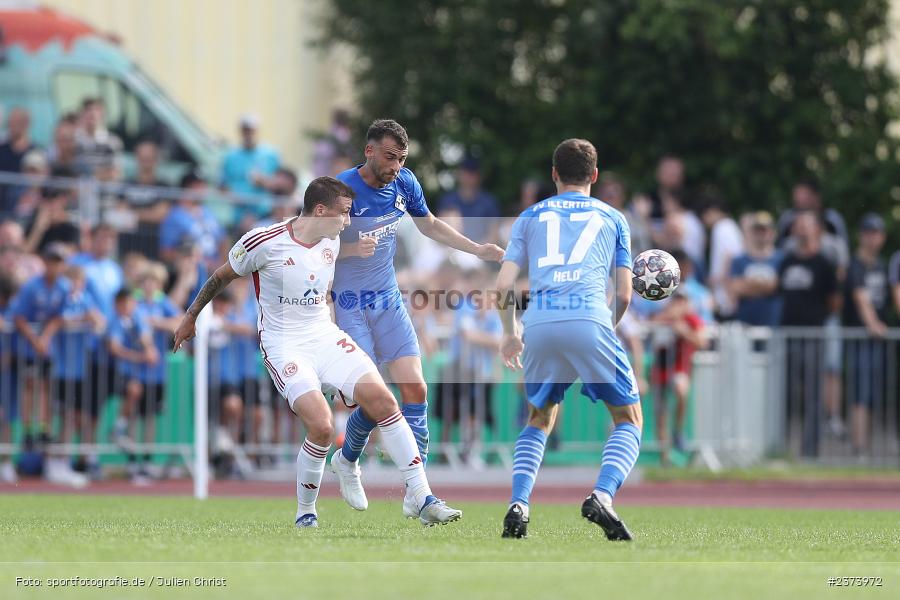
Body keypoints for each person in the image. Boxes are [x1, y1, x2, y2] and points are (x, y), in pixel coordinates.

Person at [171, 175, 463, 528]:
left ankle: (422, 496)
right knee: (323, 427)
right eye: (343, 213)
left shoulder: (334, 242)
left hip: (324, 335)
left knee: (384, 401)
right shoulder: (265, 241)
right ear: (320, 209)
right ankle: (305, 512)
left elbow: (325, 281)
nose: (347, 221)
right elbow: (220, 276)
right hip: (283, 346)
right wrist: (190, 318)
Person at [329, 119, 504, 518]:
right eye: (390, 157)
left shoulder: (405, 183)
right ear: (369, 150)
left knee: (417, 391)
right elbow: (314, 244)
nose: (396, 165)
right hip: (350, 304)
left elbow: (430, 226)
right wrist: (352, 248)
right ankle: (348, 459)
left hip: (388, 300)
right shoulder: (340, 189)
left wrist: (476, 249)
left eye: (402, 158)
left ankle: (417, 493)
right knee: (373, 399)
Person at [495, 138, 643, 541]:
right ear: (595, 175)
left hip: (539, 322)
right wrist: (601, 332)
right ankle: (602, 496)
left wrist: (510, 334)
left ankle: (519, 503)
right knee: (629, 419)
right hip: (590, 317)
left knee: (539, 417)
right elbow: (626, 294)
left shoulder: (529, 217)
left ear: (554, 174)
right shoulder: (614, 218)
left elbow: (505, 283)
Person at [778, 211, 840, 457]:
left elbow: (834, 301)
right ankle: (783, 448)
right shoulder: (787, 260)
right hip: (788, 334)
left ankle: (810, 451)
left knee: (814, 394)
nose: (802, 230)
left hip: (813, 335)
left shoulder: (824, 263)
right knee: (786, 393)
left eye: (807, 225)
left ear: (817, 230)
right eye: (799, 225)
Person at [9, 243, 70, 437]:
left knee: (45, 386)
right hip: (28, 347)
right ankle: (28, 429)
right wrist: (36, 340)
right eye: (51, 261)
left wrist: (44, 338)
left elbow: (59, 317)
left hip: (48, 347)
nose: (55, 266)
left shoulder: (63, 286)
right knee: (29, 385)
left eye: (58, 262)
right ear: (44, 262)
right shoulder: (32, 286)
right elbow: (19, 317)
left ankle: (43, 428)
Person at [842, 214, 889, 456]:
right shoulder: (856, 265)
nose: (872, 238)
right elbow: (861, 298)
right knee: (860, 392)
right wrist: (873, 324)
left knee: (871, 393)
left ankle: (866, 448)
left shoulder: (881, 265)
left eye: (876, 233)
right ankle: (859, 447)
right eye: (868, 233)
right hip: (861, 338)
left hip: (876, 341)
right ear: (861, 235)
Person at [648, 289, 707, 463]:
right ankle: (664, 455)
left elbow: (702, 341)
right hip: (660, 369)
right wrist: (668, 319)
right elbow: (648, 326)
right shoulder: (662, 317)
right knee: (660, 411)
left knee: (681, 391)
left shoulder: (692, 320)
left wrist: (683, 330)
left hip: (679, 368)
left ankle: (678, 430)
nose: (679, 305)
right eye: (676, 301)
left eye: (683, 301)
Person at [108, 288, 159, 484]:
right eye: (125, 304)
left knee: (141, 410)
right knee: (133, 391)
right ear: (118, 305)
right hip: (111, 371)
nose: (129, 307)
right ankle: (118, 429)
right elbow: (114, 348)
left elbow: (145, 335)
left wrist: (150, 349)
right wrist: (141, 356)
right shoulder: (115, 320)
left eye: (131, 303)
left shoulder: (136, 316)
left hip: (132, 373)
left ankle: (137, 460)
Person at [219, 113, 280, 224]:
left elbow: (281, 185)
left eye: (251, 130)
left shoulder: (271, 154)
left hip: (265, 214)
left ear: (257, 131)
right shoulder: (230, 156)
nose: (248, 134)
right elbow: (222, 186)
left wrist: (265, 182)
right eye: (245, 130)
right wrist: (233, 197)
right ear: (240, 132)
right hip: (237, 215)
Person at [729, 212, 782, 327]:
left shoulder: (781, 259)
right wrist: (767, 286)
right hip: (745, 324)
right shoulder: (739, 260)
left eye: (764, 230)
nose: (760, 234)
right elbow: (736, 288)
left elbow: (778, 286)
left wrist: (749, 285)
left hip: (773, 324)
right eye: (757, 230)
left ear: (772, 232)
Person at [438, 156, 501, 244]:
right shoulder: (448, 200)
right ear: (459, 174)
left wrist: (476, 250)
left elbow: (494, 236)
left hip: (479, 252)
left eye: (472, 173)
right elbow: (440, 232)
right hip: (452, 250)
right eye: (465, 172)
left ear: (479, 176)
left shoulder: (489, 202)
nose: (468, 177)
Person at [699, 193, 744, 319]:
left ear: (713, 211)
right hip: (726, 285)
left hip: (724, 289)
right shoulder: (730, 227)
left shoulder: (722, 227)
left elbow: (730, 256)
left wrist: (718, 280)